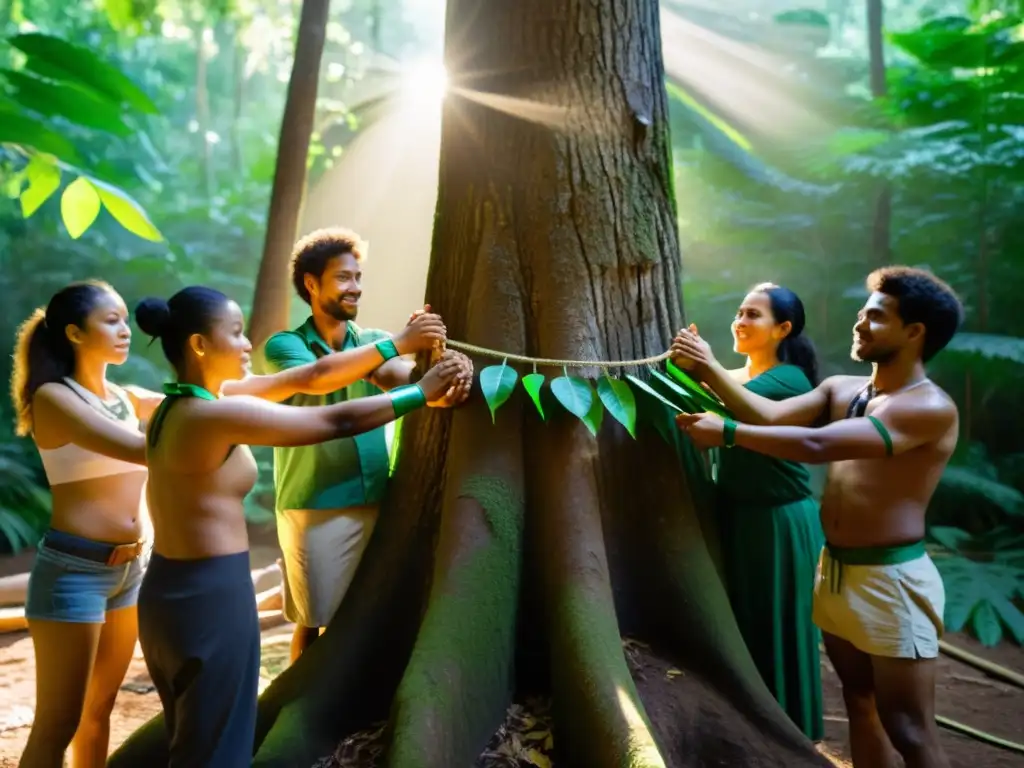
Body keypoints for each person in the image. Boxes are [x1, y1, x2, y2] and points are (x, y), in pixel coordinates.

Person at [133, 286, 464, 768]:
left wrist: (397, 345)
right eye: (237, 333)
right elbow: (336, 421)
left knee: (192, 738)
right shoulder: (213, 414)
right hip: (209, 599)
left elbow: (310, 378)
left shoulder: (179, 406)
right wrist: (422, 392)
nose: (248, 344)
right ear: (200, 345)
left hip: (167, 593)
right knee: (216, 748)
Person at [672, 266, 962, 768]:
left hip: (892, 580)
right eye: (862, 312)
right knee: (859, 702)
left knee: (910, 729)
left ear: (914, 333)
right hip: (835, 570)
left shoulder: (927, 407)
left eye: (875, 316)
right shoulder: (843, 389)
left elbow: (814, 445)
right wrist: (708, 370)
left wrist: (728, 433)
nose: (860, 323)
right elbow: (769, 416)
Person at [255, 227, 473, 662]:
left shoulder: (370, 342)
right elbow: (318, 379)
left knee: (365, 615)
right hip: (315, 504)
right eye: (342, 278)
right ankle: (300, 708)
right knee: (314, 619)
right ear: (312, 284)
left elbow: (407, 381)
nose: (355, 287)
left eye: (358, 277)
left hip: (381, 497)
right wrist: (400, 343)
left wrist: (448, 366)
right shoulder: (286, 345)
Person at [11, 281, 163, 768]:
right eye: (112, 321)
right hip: (73, 574)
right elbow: (143, 450)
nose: (126, 330)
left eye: (124, 318)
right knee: (57, 724)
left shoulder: (124, 395)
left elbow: (212, 398)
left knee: (99, 711)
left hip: (129, 571)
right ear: (75, 333)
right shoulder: (55, 398)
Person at [682, 283, 825, 741]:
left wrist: (702, 367)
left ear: (782, 329)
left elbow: (748, 413)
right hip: (738, 519)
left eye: (753, 315)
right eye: (739, 312)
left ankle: (789, 735)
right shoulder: (735, 376)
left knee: (776, 627)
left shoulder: (790, 380)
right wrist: (694, 368)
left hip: (777, 522)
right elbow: (716, 393)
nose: (740, 322)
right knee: (741, 626)